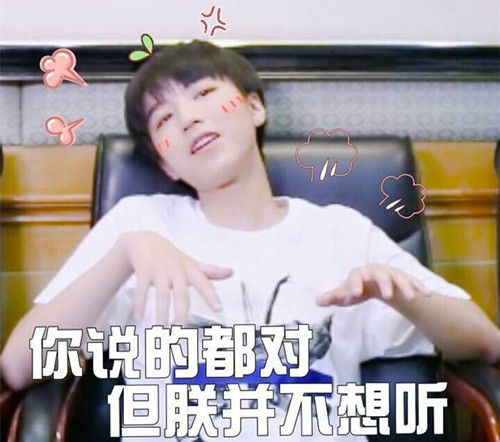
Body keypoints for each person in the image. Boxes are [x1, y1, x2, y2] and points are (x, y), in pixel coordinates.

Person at [2, 40, 499, 441]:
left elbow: (484, 342)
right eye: (164, 120)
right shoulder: (139, 222)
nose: (188, 118)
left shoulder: (340, 232)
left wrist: (401, 297)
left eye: (203, 94)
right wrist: (125, 254)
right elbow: (20, 366)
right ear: (166, 163)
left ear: (255, 107)